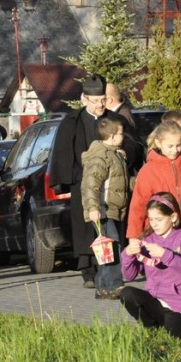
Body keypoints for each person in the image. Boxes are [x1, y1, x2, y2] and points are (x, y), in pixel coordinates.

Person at [48, 74, 109, 288]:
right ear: (85, 99)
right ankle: (88, 270)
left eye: (103, 100)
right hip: (81, 182)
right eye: (96, 101)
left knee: (107, 224)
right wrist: (71, 177)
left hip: (108, 183)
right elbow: (64, 152)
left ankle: (107, 267)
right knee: (84, 227)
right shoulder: (72, 121)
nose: (100, 105)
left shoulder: (112, 119)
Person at [120, 192, 181, 340]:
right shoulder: (147, 239)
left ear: (173, 217)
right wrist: (127, 254)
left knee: (171, 333)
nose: (154, 224)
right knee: (126, 294)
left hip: (180, 305)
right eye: (151, 219)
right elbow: (129, 275)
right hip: (156, 301)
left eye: (159, 219)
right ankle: (151, 329)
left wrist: (165, 254)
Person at [127, 121, 181, 265]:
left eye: (178, 145)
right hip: (157, 232)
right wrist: (133, 235)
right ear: (159, 143)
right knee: (161, 271)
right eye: (170, 146)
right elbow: (138, 205)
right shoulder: (148, 170)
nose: (175, 150)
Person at [81, 114, 132, 300]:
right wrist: (93, 207)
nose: (123, 136)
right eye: (120, 133)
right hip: (102, 210)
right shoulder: (100, 156)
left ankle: (102, 286)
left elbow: (120, 182)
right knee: (113, 246)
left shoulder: (116, 154)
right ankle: (114, 285)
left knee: (106, 249)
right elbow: (90, 184)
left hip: (113, 210)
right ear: (111, 136)